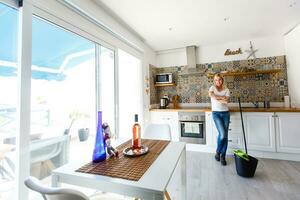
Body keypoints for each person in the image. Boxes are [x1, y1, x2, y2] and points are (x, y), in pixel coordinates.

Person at [208, 73, 230, 166]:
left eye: (219, 79)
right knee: (222, 134)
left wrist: (217, 98)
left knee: (225, 136)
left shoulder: (227, 89)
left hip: (226, 113)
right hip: (216, 113)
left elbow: (226, 101)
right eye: (216, 80)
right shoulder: (212, 88)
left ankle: (222, 156)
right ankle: (218, 151)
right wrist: (221, 98)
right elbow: (211, 95)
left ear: (222, 80)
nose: (218, 82)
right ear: (214, 81)